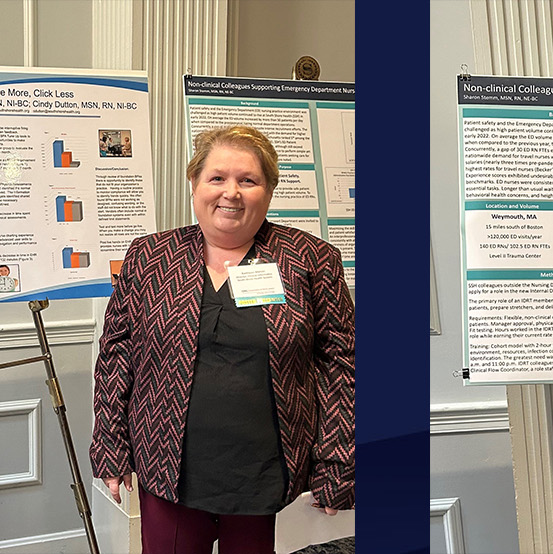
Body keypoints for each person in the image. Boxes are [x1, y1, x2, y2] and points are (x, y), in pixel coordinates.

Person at [90, 125, 355, 553]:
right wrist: (111, 444)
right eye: (217, 178)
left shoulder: (310, 259)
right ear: (195, 183)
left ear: (268, 191)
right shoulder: (150, 257)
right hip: (168, 471)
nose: (231, 192)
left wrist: (337, 461)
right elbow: (116, 357)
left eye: (248, 180)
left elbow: (343, 366)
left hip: (269, 477)